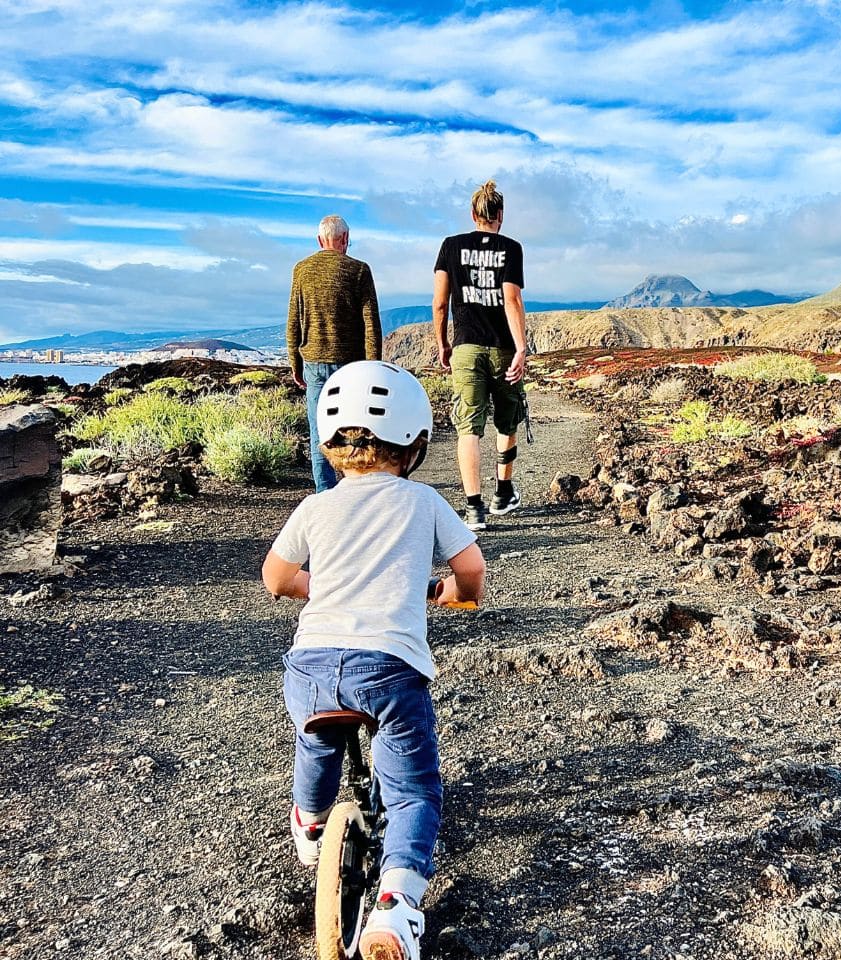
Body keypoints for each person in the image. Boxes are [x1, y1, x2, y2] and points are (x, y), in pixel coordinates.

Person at [261, 360, 484, 960]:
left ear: (328, 443)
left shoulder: (315, 507)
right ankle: (397, 907)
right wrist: (453, 596)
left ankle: (310, 824)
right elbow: (470, 570)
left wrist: (323, 588)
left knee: (317, 741)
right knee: (411, 790)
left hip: (311, 665)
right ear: (415, 443)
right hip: (387, 666)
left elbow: (277, 578)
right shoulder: (423, 501)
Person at [432, 179, 528, 531]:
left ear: (473, 214)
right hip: (503, 346)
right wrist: (521, 347)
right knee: (508, 419)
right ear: (500, 214)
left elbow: (441, 302)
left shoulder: (450, 247)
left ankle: (474, 510)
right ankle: (502, 493)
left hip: (466, 346)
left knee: (468, 428)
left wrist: (443, 342)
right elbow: (512, 299)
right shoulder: (511, 248)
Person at [287, 214, 382, 492]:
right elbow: (370, 324)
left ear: (320, 240)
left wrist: (295, 362)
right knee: (357, 430)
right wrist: (373, 366)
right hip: (353, 366)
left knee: (321, 433)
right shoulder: (359, 270)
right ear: (345, 239)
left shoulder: (302, 270)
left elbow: (294, 321)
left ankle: (325, 496)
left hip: (314, 362)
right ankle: (358, 490)